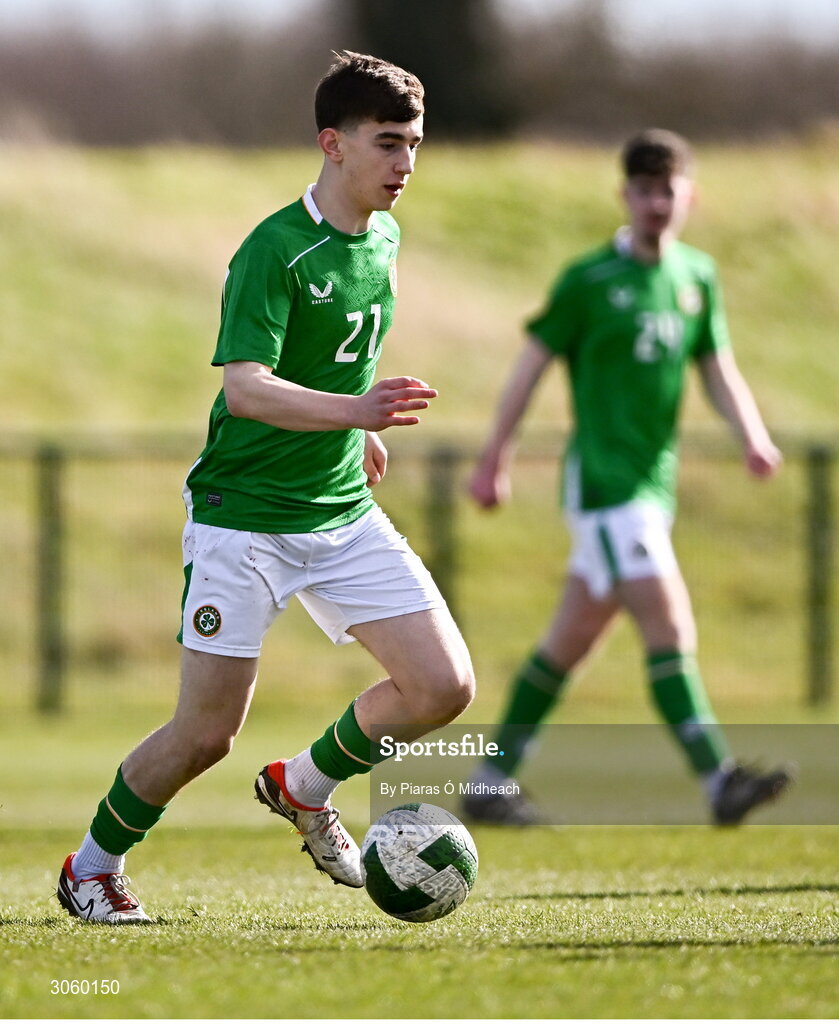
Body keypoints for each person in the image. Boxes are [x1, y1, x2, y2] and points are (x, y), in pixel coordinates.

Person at [57, 51, 475, 924]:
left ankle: (303, 785)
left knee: (441, 688)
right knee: (206, 735)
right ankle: (91, 867)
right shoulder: (274, 250)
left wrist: (354, 429)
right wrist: (353, 408)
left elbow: (340, 356)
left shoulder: (385, 237)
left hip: (341, 514)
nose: (405, 164)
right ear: (332, 143)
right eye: (388, 143)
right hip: (242, 521)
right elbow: (244, 386)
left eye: (416, 145)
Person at [462, 128, 790, 827]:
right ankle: (718, 781)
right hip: (608, 490)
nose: (654, 203)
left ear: (688, 196)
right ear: (624, 195)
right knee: (668, 623)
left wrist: (751, 437)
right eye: (642, 190)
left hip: (653, 489)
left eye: (666, 190)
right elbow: (529, 366)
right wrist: (495, 457)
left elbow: (715, 367)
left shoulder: (695, 278)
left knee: (567, 644)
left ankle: (488, 785)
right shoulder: (588, 281)